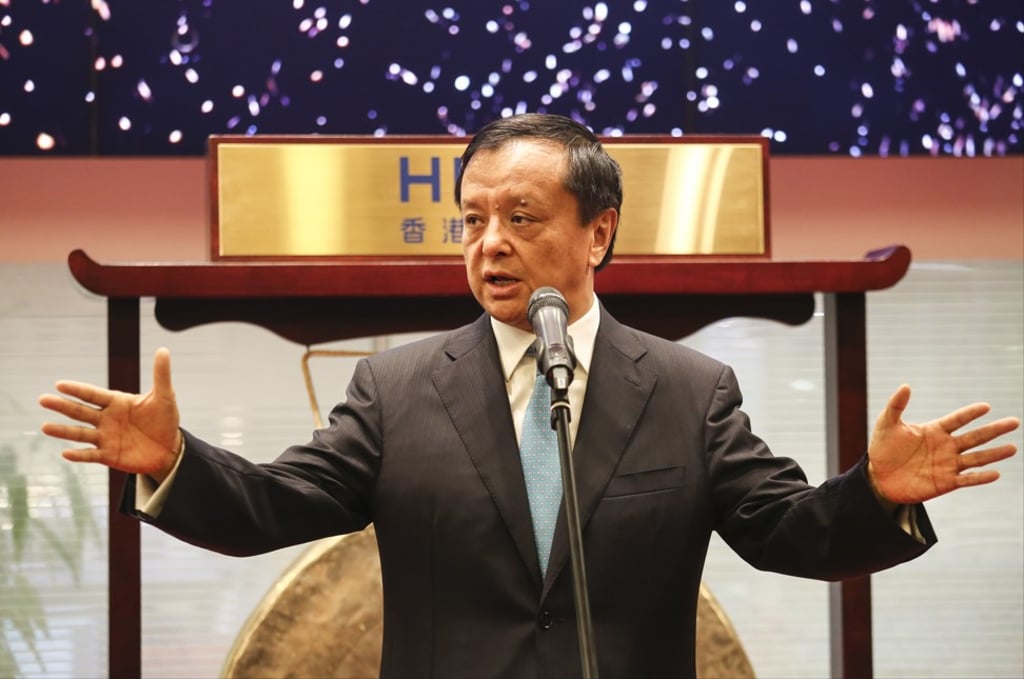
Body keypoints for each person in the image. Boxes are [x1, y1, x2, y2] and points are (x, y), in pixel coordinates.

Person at [39, 113, 1019, 678]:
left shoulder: (691, 390)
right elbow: (273, 506)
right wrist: (173, 464)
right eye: (470, 220)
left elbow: (786, 531)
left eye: (519, 216)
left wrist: (876, 495)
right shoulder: (397, 386)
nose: (489, 242)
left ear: (598, 233)